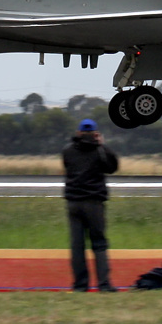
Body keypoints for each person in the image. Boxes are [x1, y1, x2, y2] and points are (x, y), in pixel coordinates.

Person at [62, 118, 119, 292]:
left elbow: (67, 166)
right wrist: (102, 144)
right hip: (94, 202)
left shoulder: (68, 151)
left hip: (73, 203)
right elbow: (112, 167)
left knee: (77, 245)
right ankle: (103, 284)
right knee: (99, 243)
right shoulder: (99, 150)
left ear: (79, 133)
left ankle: (80, 285)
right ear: (96, 134)